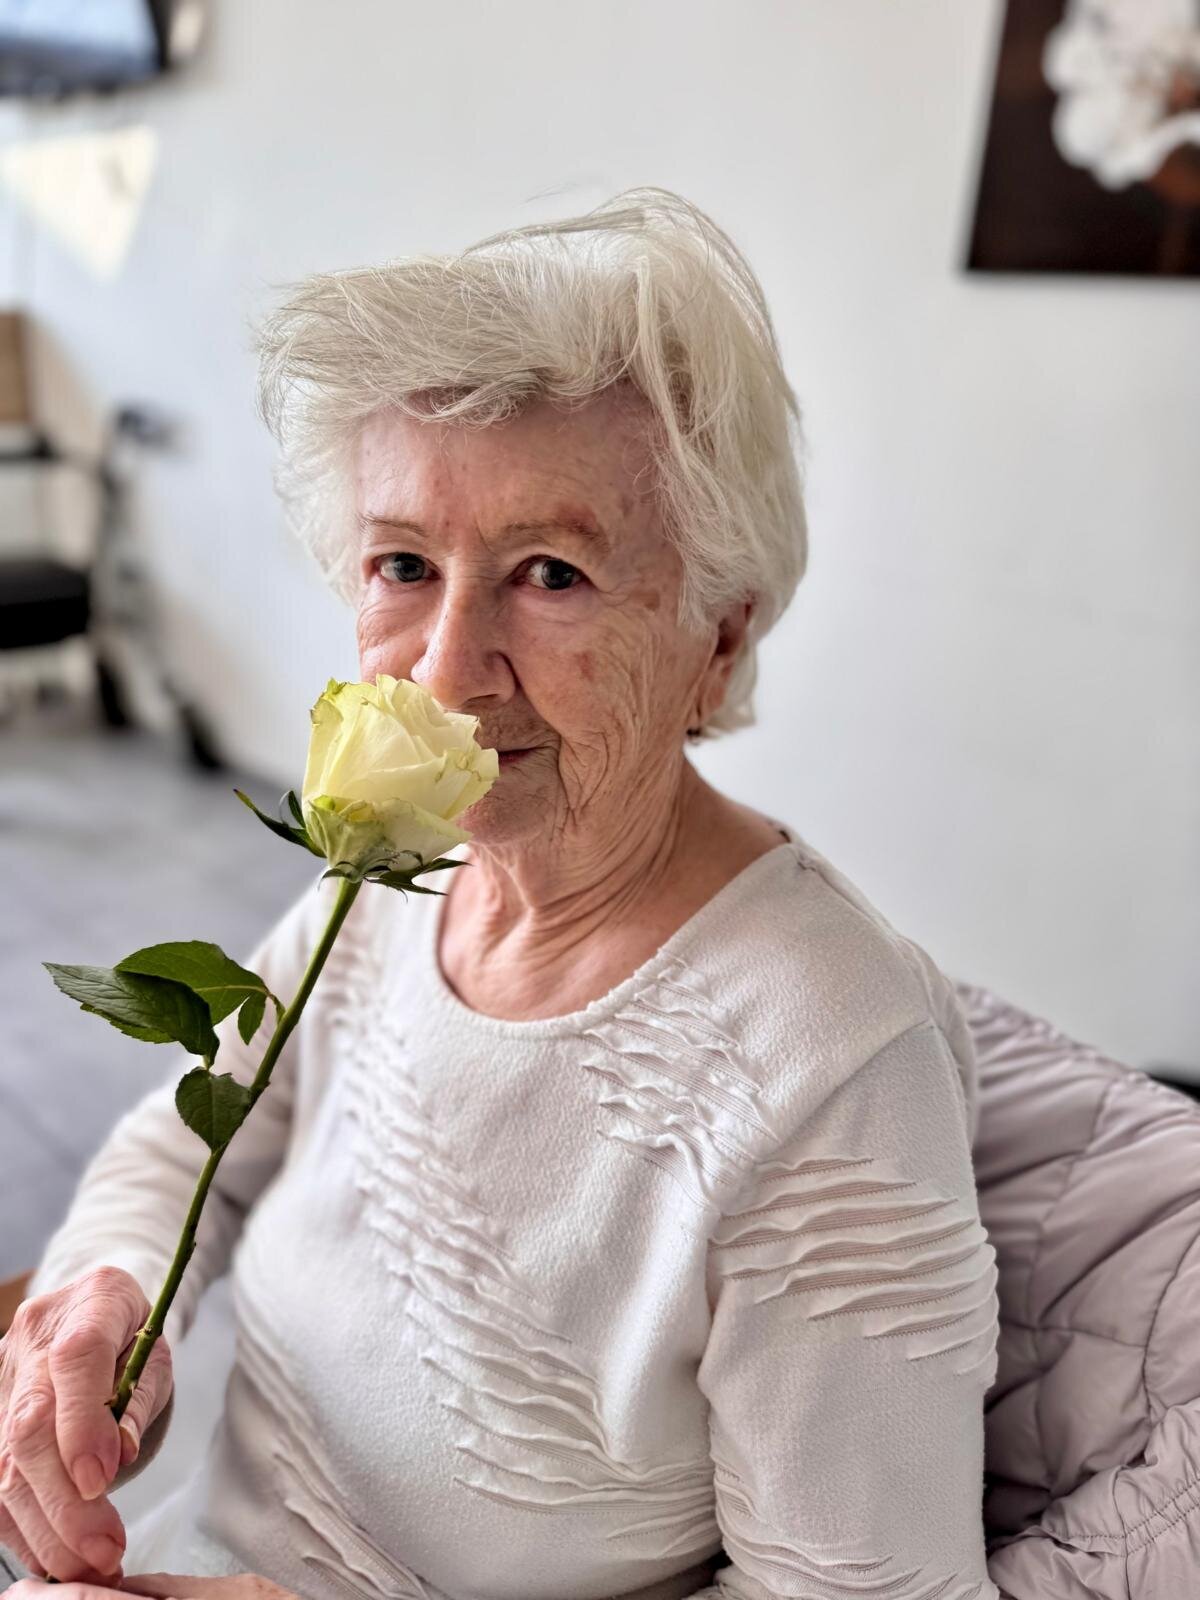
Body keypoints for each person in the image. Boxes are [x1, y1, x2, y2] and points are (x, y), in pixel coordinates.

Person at [0, 188, 1000, 1600]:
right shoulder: (402, 877)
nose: (444, 669)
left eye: (551, 574)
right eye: (404, 564)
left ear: (718, 639)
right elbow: (186, 1146)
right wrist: (107, 1306)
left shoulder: (831, 1064)